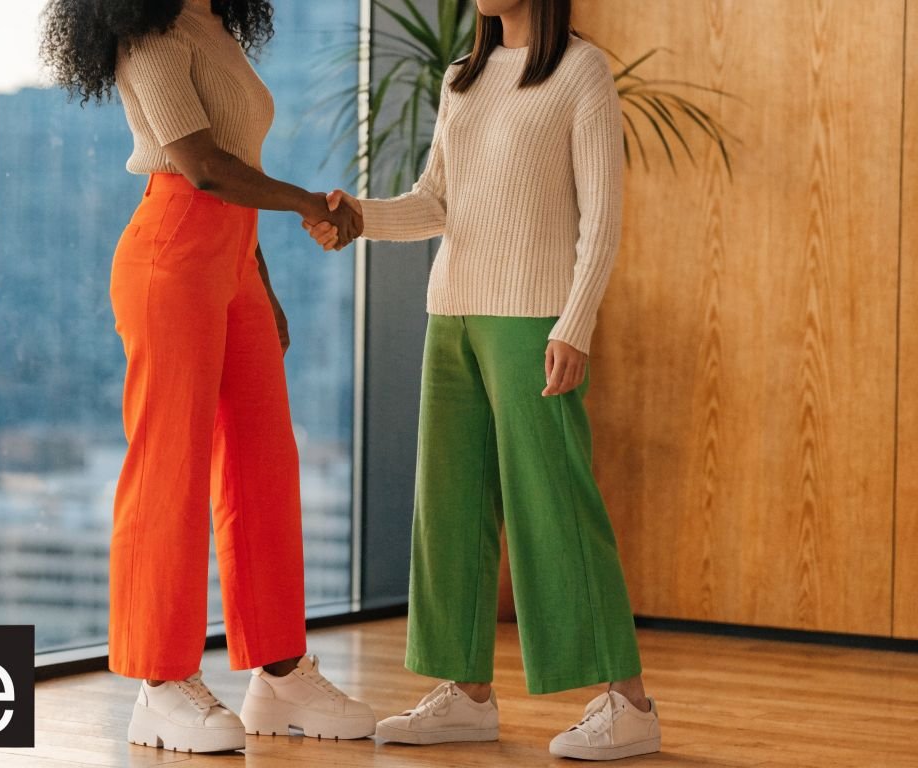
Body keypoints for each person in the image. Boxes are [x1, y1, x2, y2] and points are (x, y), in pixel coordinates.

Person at [308, 0, 660, 760]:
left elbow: (602, 215)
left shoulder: (581, 72)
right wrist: (360, 216)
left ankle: (629, 704)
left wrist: (575, 324)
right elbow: (438, 201)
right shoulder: (460, 79)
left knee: (554, 501)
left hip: (533, 319)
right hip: (452, 314)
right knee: (451, 505)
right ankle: (466, 696)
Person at [40, 0, 374, 754]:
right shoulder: (149, 32)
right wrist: (307, 205)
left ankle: (280, 671)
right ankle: (159, 684)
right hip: (171, 254)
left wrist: (262, 284)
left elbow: (236, 170)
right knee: (171, 470)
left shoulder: (212, 23)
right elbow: (201, 166)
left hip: (232, 261)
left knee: (264, 462)